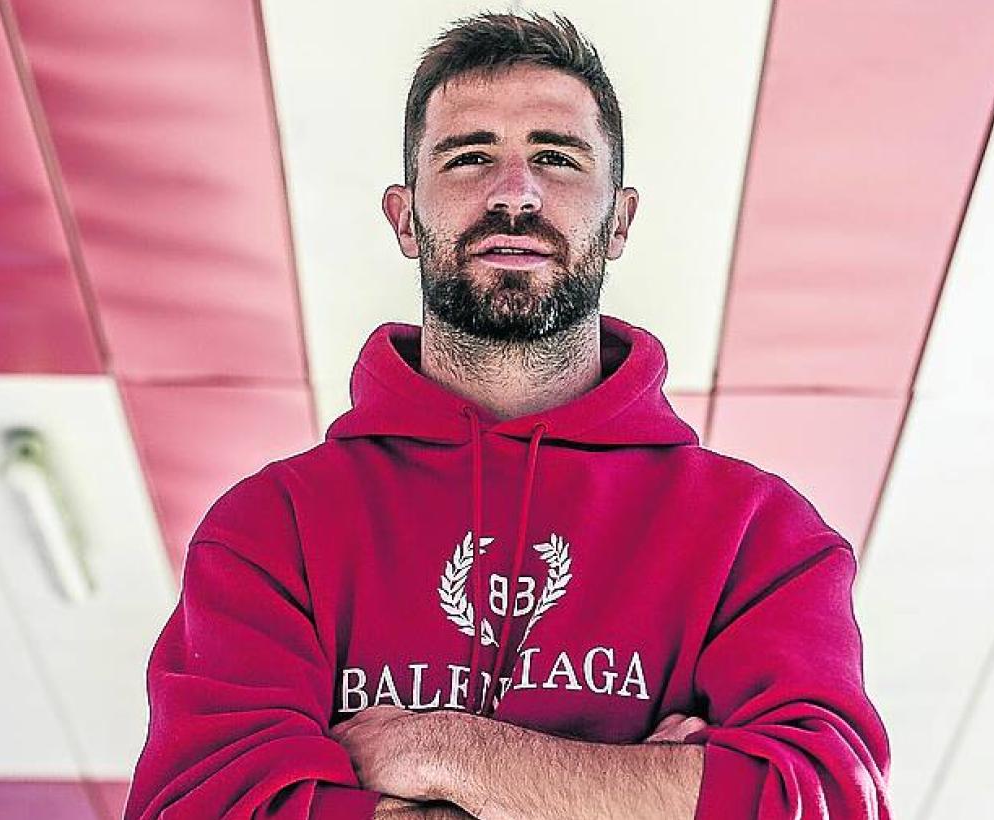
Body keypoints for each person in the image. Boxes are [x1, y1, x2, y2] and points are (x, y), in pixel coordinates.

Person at [124, 11, 893, 820]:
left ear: (620, 220)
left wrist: (441, 752)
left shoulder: (758, 536)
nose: (516, 193)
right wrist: (634, 793)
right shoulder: (272, 530)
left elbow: (831, 802)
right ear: (405, 219)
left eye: (556, 158)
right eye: (470, 157)